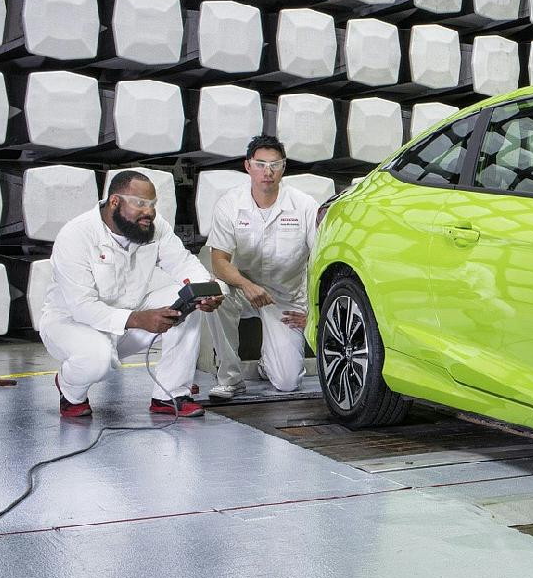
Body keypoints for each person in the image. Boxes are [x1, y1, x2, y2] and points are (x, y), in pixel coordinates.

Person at [39, 170, 223, 419]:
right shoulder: (76, 235)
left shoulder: (154, 229)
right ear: (115, 202)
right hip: (72, 324)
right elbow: (82, 307)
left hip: (130, 317)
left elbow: (183, 264)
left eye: (152, 204)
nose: (149, 212)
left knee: (187, 304)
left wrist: (204, 292)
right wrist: (138, 319)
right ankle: (70, 389)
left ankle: (169, 395)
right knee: (96, 360)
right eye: (140, 204)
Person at [204, 135, 322, 399]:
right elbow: (219, 262)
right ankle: (230, 378)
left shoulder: (304, 206)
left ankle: (268, 365)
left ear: (284, 167)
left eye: (274, 165)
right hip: (242, 289)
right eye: (260, 164)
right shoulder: (229, 204)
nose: (267, 172)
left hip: (286, 297)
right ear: (248, 166)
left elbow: (321, 262)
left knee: (288, 382)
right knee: (214, 292)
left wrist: (314, 314)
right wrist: (246, 285)